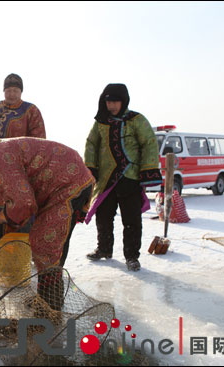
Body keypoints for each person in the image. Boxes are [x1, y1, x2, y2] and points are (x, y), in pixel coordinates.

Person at [0, 138, 94, 310]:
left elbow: (24, 203)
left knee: (46, 242)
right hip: (63, 182)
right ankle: (46, 300)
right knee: (43, 241)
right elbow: (17, 200)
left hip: (69, 184)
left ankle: (50, 307)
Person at [84, 83, 162, 272]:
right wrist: (91, 168)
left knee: (131, 220)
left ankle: (132, 257)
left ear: (123, 101)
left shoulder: (136, 120)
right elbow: (91, 144)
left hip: (130, 177)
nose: (111, 105)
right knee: (103, 217)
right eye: (108, 101)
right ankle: (104, 249)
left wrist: (147, 171)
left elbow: (149, 144)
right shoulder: (101, 122)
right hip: (106, 179)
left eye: (115, 101)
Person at [0, 73, 47, 245]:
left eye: (16, 90)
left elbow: (38, 139)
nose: (12, 94)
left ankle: (25, 251)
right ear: (4, 91)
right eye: (9, 90)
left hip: (22, 169)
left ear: (21, 91)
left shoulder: (31, 110)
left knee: (23, 206)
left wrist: (24, 159)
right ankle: (3, 251)